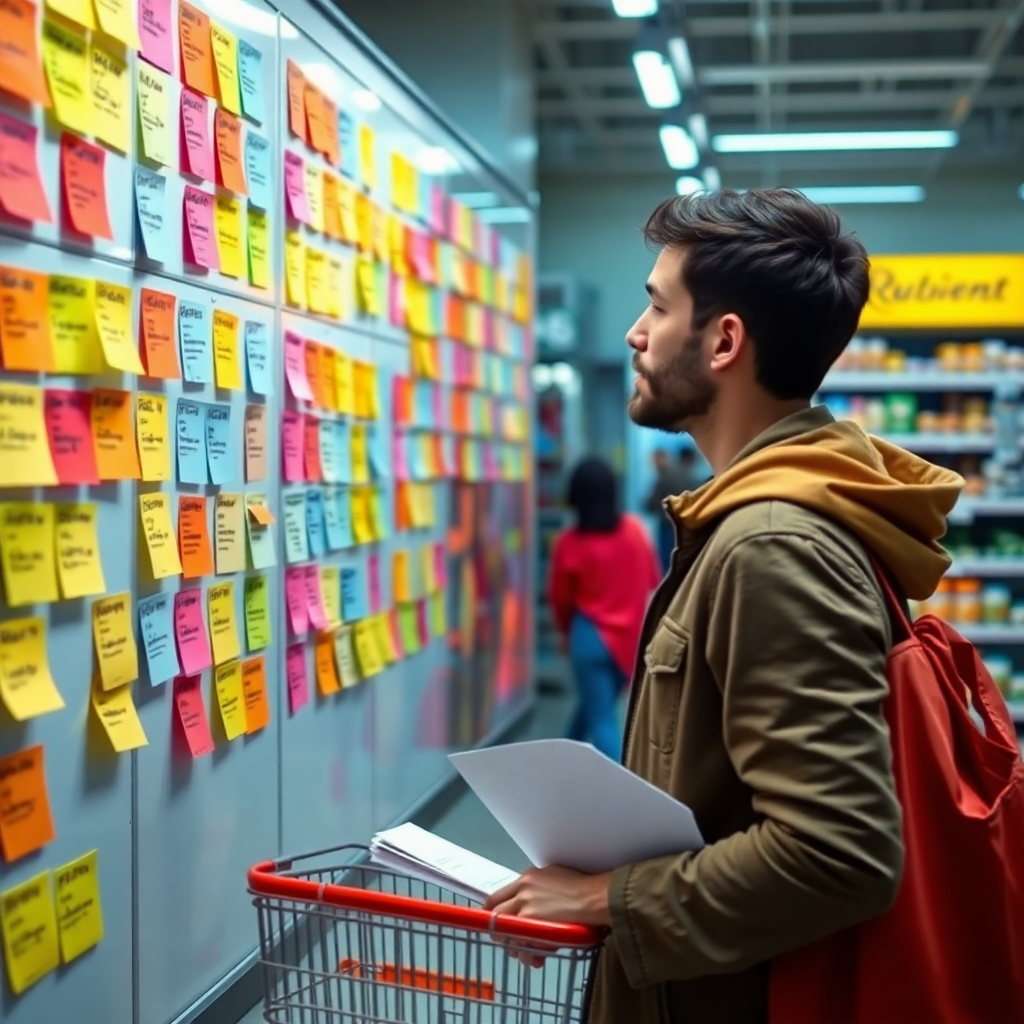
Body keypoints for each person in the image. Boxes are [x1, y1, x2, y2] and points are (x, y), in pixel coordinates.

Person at [486, 189, 962, 1023]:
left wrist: (607, 898)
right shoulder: (770, 514)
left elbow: (838, 853)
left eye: (658, 306)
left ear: (724, 341)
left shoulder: (771, 545)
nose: (637, 333)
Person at [548, 458, 661, 761]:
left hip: (588, 637)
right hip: (630, 638)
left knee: (600, 719)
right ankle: (561, 762)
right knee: (596, 707)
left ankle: (619, 795)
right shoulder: (635, 533)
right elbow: (652, 581)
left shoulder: (569, 543)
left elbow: (559, 599)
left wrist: (564, 633)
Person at [645, 448, 702, 570]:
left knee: (667, 563)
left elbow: (652, 503)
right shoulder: (692, 478)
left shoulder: (666, 476)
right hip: (688, 527)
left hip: (667, 526)